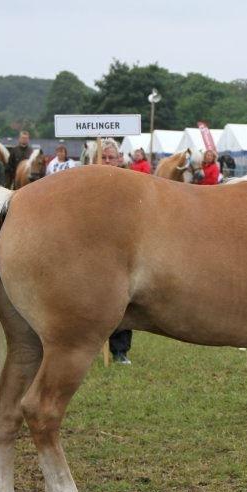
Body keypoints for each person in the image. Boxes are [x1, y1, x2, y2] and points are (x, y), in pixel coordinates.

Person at [97, 138, 133, 364]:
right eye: (104, 157)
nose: (108, 161)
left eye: (111, 157)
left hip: (121, 251)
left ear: (119, 160)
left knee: (123, 303)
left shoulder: (129, 184)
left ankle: (120, 351)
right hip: (94, 253)